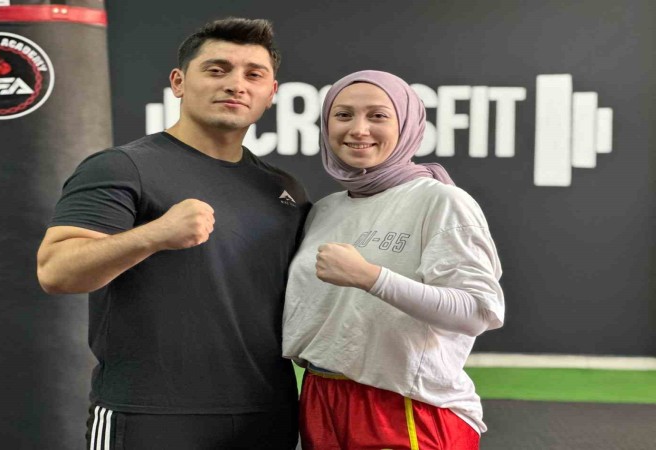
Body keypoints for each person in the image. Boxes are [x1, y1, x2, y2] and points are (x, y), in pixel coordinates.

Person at [36, 18, 310, 449]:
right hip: (150, 414)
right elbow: (57, 271)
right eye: (217, 70)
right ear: (179, 82)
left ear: (271, 93)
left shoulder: (283, 189)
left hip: (267, 411)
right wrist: (155, 234)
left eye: (253, 75)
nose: (236, 84)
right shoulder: (122, 167)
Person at [282, 70, 505, 449]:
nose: (359, 129)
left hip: (408, 406)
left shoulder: (441, 201)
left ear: (406, 124)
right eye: (343, 115)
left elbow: (476, 312)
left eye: (378, 116)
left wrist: (371, 277)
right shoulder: (324, 210)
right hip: (322, 395)